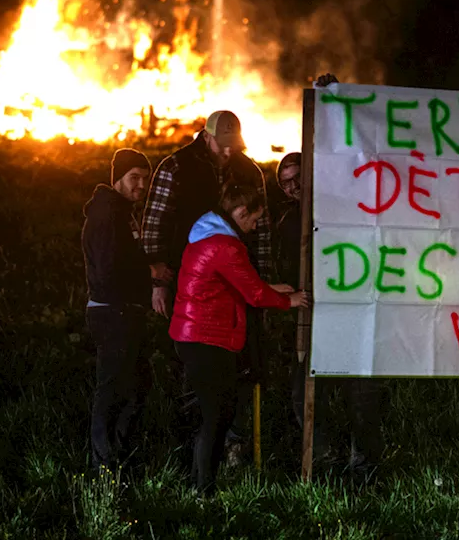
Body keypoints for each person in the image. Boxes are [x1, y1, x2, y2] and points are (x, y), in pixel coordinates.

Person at [140, 109, 275, 463]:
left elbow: (262, 231)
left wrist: (264, 281)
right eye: (224, 145)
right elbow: (156, 221)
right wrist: (158, 281)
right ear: (207, 136)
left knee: (240, 360)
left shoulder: (249, 171)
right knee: (192, 362)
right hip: (191, 287)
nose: (230, 152)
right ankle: (192, 444)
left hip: (237, 284)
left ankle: (232, 443)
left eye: (235, 145)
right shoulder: (176, 168)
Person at [169, 182, 308, 495]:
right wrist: (291, 300)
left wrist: (275, 289)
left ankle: (200, 484)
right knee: (217, 416)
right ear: (241, 212)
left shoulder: (207, 234)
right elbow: (254, 294)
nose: (255, 226)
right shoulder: (226, 246)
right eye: (254, 219)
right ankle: (204, 490)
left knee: (214, 413)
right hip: (207, 338)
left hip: (195, 335)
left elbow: (240, 283)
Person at [279, 144, 385, 480]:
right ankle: (324, 456)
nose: (293, 186)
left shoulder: (343, 208)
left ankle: (365, 463)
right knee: (304, 392)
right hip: (313, 318)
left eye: (297, 178)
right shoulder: (288, 221)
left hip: (351, 314)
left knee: (361, 393)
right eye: (285, 183)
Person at [81, 149, 165, 475]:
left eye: (145, 179)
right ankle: (104, 464)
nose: (141, 185)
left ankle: (120, 456)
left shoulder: (121, 211)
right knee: (113, 387)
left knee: (136, 385)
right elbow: (107, 270)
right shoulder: (106, 216)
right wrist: (150, 272)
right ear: (117, 177)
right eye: (134, 178)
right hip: (111, 311)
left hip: (125, 311)